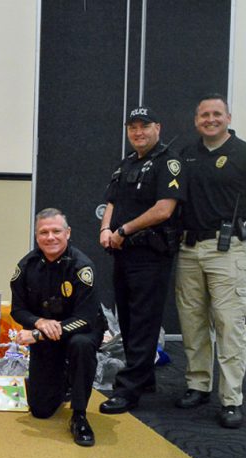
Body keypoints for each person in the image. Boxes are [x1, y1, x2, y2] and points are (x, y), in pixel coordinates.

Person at [175, 93, 246, 428]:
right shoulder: (186, 156)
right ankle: (198, 384)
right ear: (196, 120)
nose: (210, 119)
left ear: (228, 117)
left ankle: (231, 400)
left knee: (229, 324)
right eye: (204, 115)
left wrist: (236, 223)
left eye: (216, 114)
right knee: (192, 320)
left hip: (228, 249)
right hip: (189, 249)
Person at [98, 107, 185, 414]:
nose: (138, 132)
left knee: (144, 321)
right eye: (132, 127)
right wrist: (106, 228)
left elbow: (164, 209)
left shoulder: (168, 162)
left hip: (150, 255)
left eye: (144, 126)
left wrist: (123, 229)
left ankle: (128, 390)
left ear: (157, 128)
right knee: (129, 321)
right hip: (123, 253)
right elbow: (112, 200)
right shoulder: (126, 164)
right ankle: (144, 376)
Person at [11, 208, 103, 447]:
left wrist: (38, 333)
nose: (50, 237)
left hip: (81, 330)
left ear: (68, 233)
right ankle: (64, 381)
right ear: (36, 236)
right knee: (40, 410)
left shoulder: (82, 268)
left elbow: (86, 317)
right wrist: (39, 322)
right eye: (44, 232)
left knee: (81, 346)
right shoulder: (26, 267)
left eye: (56, 231)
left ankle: (79, 416)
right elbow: (17, 310)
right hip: (46, 333)